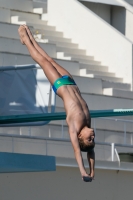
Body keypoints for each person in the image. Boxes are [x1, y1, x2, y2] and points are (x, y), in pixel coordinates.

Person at [18, 25, 95, 182]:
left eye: (89, 139)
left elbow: (77, 151)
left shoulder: (74, 127)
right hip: (71, 82)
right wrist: (93, 172)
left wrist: (83, 172)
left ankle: (26, 41)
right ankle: (31, 37)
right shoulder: (87, 122)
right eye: (93, 139)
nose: (93, 137)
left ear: (80, 136)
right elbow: (91, 152)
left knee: (42, 61)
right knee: (50, 59)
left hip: (60, 85)